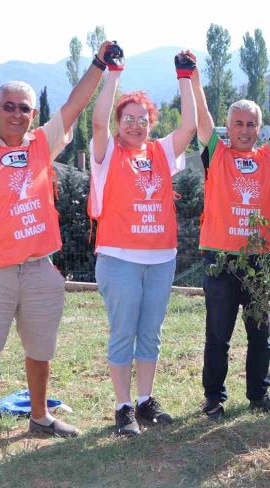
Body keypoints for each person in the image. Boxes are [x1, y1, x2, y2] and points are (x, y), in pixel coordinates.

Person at [0, 42, 115, 461]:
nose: (17, 113)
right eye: (9, 106)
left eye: (25, 108)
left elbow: (74, 104)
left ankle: (40, 416)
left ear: (33, 115)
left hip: (38, 268)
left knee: (41, 349)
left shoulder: (39, 145)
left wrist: (99, 64)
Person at [191, 58, 270, 420]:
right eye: (238, 124)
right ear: (227, 127)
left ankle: (258, 395)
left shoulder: (268, 155)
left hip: (260, 259)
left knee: (260, 333)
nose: (245, 130)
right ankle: (214, 397)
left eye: (251, 124)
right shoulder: (217, 154)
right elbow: (201, 120)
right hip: (219, 258)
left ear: (260, 129)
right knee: (218, 335)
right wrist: (197, 79)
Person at [88, 51, 197, 436]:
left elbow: (189, 125)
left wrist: (184, 76)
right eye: (128, 119)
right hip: (118, 258)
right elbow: (98, 119)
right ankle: (122, 408)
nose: (135, 125)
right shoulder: (105, 153)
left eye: (143, 119)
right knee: (123, 332)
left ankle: (145, 401)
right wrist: (113, 72)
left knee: (150, 332)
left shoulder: (162, 152)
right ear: (119, 123)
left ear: (151, 124)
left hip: (161, 258)